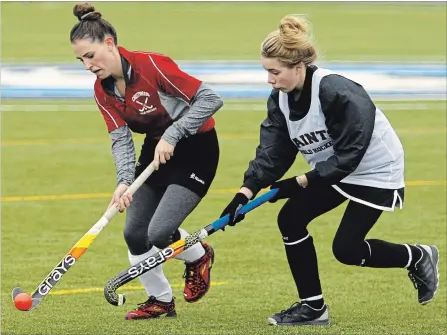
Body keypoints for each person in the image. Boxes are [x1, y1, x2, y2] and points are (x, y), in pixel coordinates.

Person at [220, 14, 439, 326]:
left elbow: (350, 153)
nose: (269, 79)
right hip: (332, 169)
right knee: (291, 219)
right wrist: (245, 192)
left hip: (375, 169)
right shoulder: (280, 99)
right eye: (266, 71)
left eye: (274, 71)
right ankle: (313, 308)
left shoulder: (337, 91)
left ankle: (416, 257)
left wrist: (300, 182)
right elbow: (274, 151)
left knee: (347, 249)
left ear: (298, 67)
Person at [70, 3, 223, 320]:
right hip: (157, 152)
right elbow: (120, 138)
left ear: (109, 44)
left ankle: (198, 255)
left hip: (197, 149)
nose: (87, 65)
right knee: (134, 233)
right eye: (81, 60)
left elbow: (211, 99)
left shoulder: (151, 66)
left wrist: (174, 132)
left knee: (160, 232)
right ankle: (160, 301)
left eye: (90, 55)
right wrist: (124, 181)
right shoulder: (103, 90)